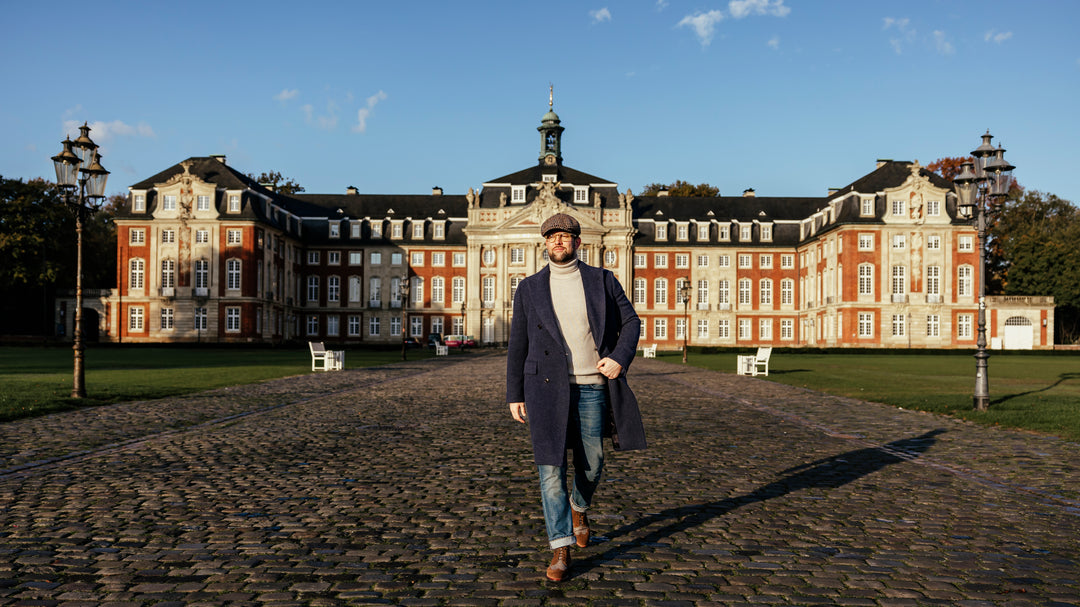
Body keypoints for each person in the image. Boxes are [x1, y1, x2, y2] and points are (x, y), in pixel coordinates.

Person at [506, 212, 646, 582]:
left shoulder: (602, 280)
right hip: (544, 388)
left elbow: (632, 322)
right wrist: (514, 393)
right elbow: (517, 344)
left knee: (593, 462)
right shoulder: (529, 288)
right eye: (552, 237)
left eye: (565, 237)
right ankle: (561, 547)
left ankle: (579, 506)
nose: (558, 242)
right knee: (550, 471)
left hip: (591, 386)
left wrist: (619, 358)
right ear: (545, 243)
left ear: (578, 243)